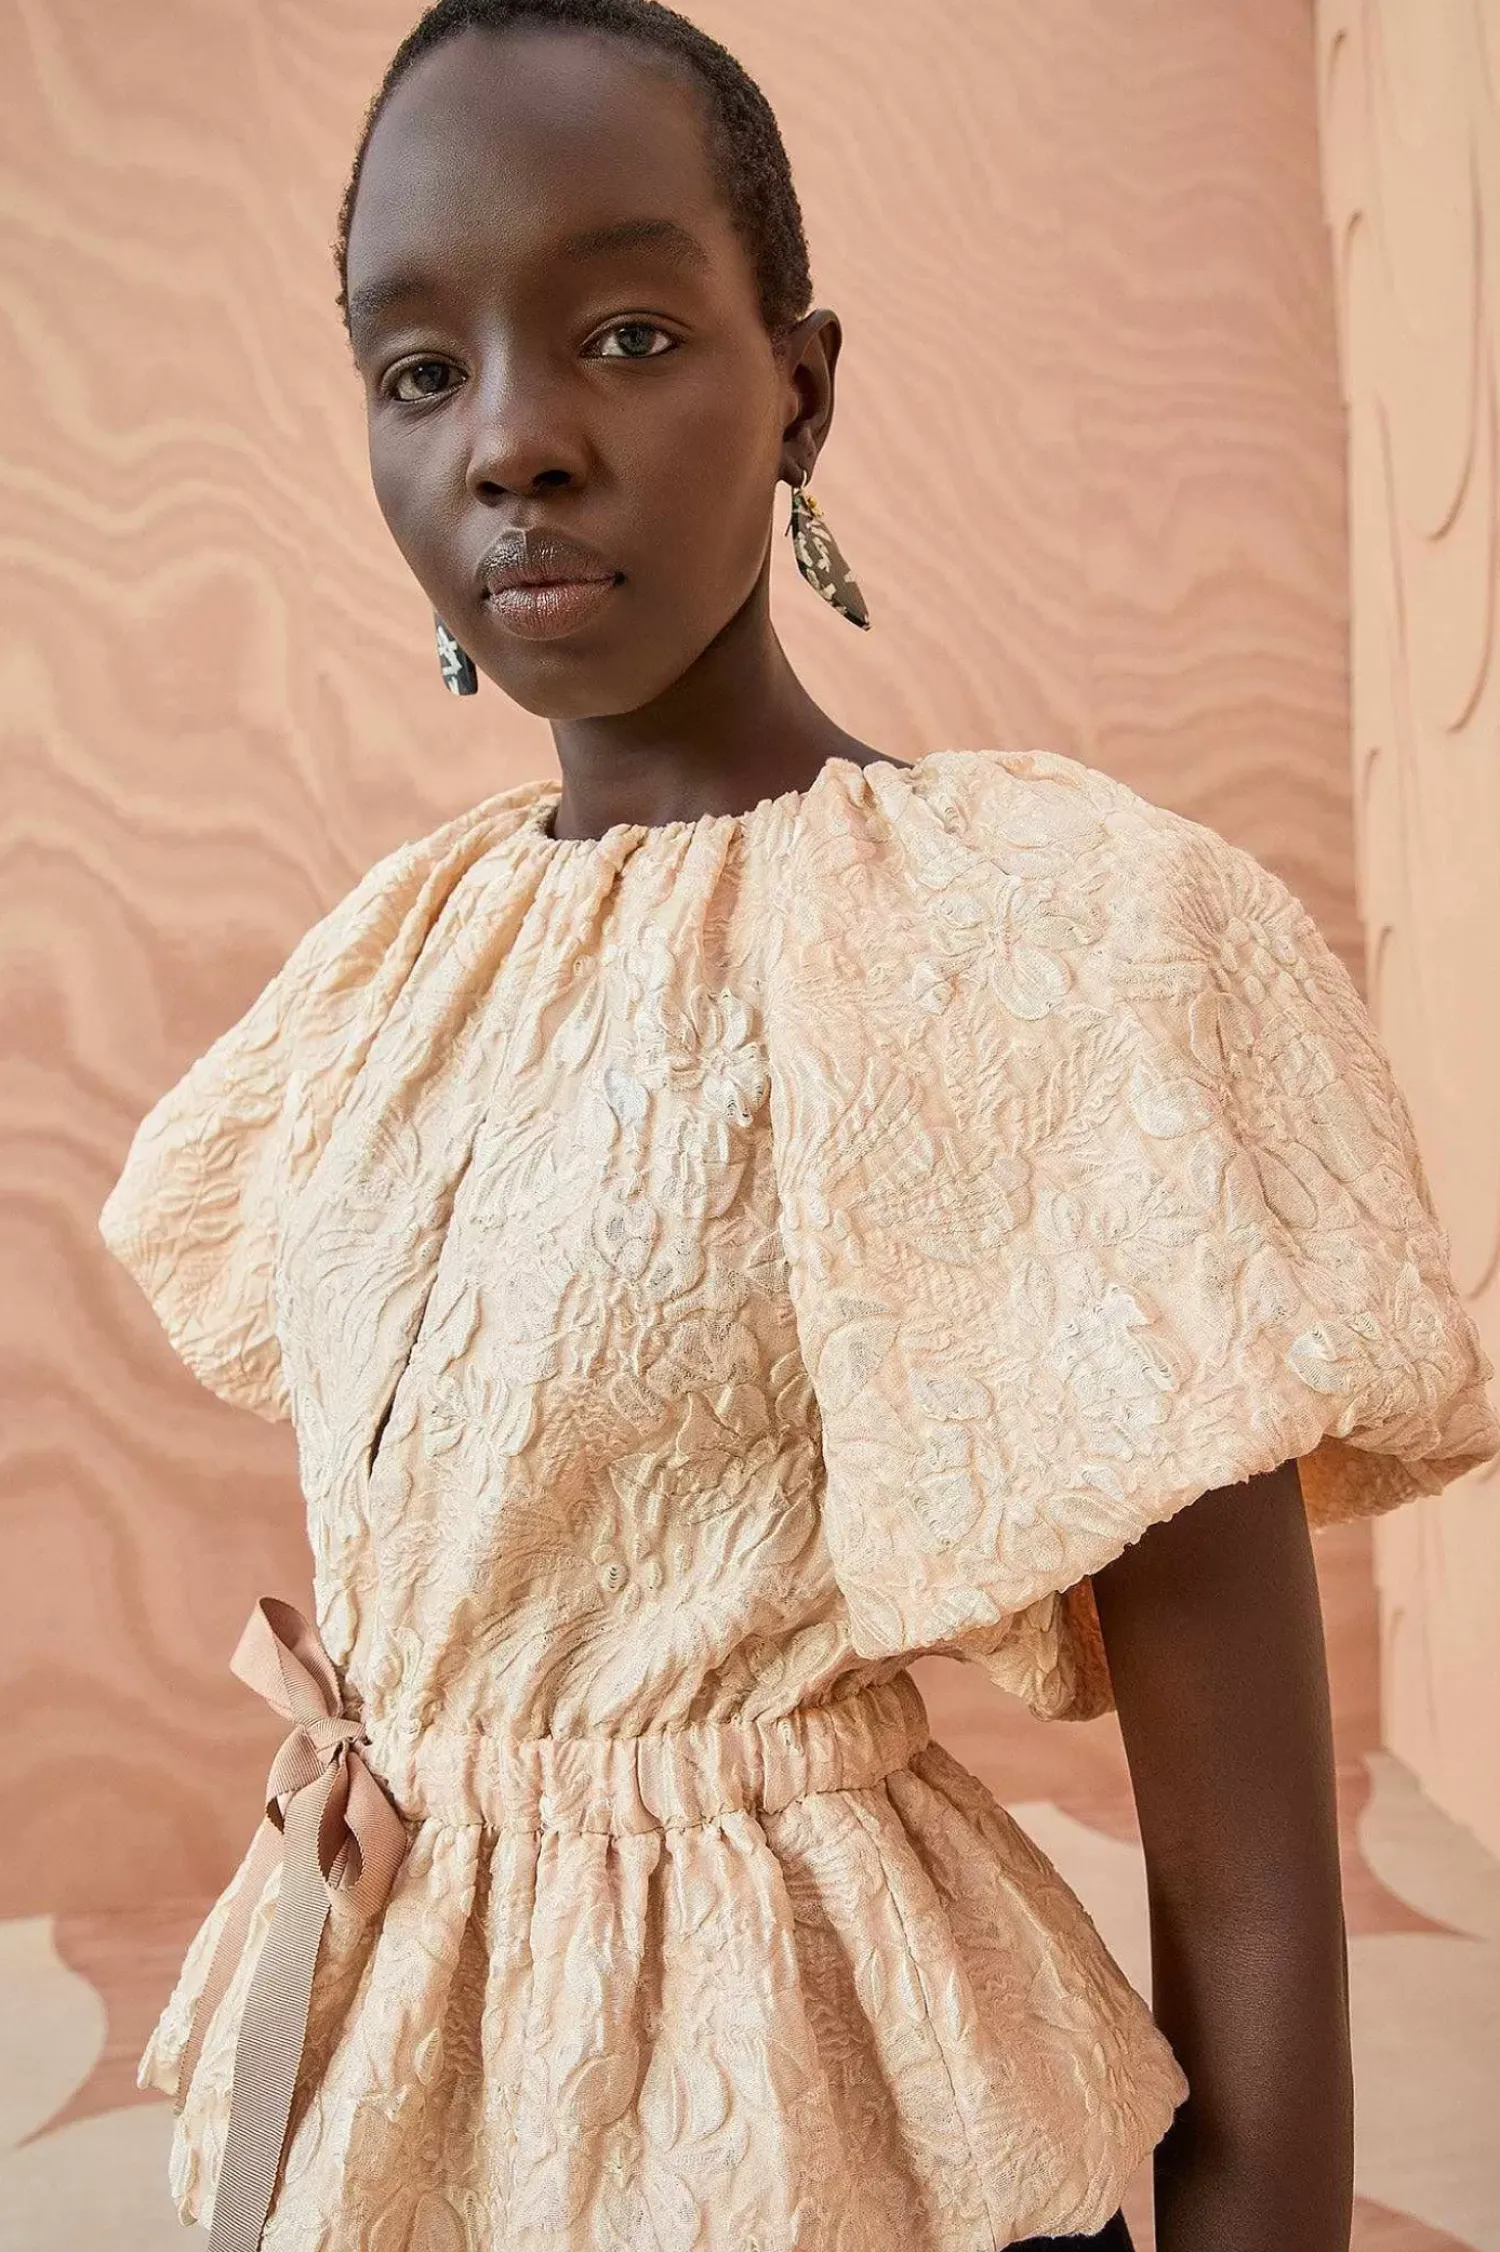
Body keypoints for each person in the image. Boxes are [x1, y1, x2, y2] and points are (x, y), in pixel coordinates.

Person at [96, 4, 1500, 2250]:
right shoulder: (392, 966)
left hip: (832, 2143)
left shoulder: (1037, 935)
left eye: (629, 335)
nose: (513, 443)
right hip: (400, 2101)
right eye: (419, 369)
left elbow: (1245, 1856)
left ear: (804, 391)